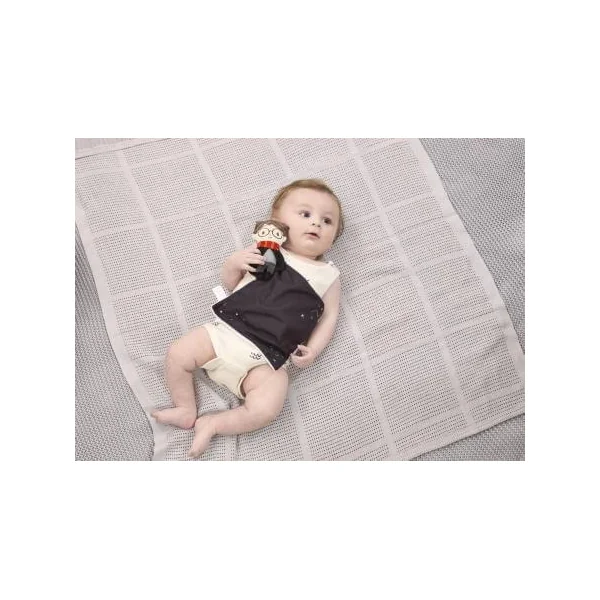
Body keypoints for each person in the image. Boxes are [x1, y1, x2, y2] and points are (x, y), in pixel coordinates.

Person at [151, 178, 344, 458]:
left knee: (269, 406)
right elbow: (234, 285)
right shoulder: (267, 252)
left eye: (327, 221)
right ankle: (185, 407)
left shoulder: (329, 276)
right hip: (226, 334)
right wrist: (233, 264)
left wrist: (314, 349)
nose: (316, 223)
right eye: (305, 214)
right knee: (178, 353)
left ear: (335, 235)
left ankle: (214, 423)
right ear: (277, 222)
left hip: (265, 361)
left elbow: (329, 316)